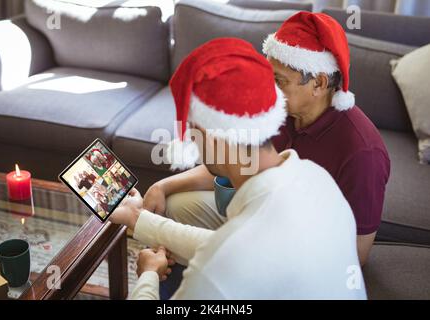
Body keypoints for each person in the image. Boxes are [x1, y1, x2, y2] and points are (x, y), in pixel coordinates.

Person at [110, 38, 366, 300]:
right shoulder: (316, 178)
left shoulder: (218, 273)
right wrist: (137, 218)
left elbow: (226, 257)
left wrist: (148, 275)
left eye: (192, 129)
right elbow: (227, 247)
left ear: (209, 134)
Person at [143, 12, 390, 268]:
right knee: (175, 205)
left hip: (297, 252)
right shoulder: (281, 110)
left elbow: (357, 254)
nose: (269, 88)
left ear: (318, 83)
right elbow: (231, 163)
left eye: (279, 80)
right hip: (256, 213)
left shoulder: (362, 152)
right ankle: (168, 271)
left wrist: (262, 254)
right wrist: (163, 186)